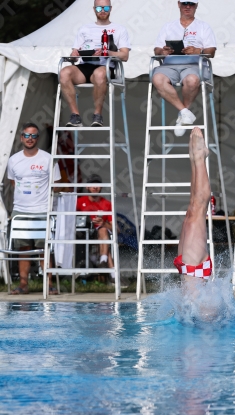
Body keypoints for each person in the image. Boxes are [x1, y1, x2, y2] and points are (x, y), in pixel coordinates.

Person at [7, 122, 61, 295]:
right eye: (27, 135)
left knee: (44, 248)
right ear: (22, 137)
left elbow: (57, 184)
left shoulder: (48, 158)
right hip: (20, 211)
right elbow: (13, 183)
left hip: (42, 210)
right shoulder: (13, 160)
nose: (30, 139)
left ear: (38, 138)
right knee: (23, 249)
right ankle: (23, 285)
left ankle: (49, 284)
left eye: (33, 136)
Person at [59, 0, 131, 127]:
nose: (102, 11)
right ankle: (75, 116)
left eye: (105, 8)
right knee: (64, 73)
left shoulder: (119, 29)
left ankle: (97, 115)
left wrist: (106, 52)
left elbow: (125, 55)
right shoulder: (84, 28)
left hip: (106, 66)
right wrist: (74, 55)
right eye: (99, 9)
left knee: (99, 74)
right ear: (94, 9)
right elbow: (74, 55)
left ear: (111, 9)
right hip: (84, 66)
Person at [152, 0, 216, 136]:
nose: (187, 6)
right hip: (170, 64)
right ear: (178, 4)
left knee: (192, 80)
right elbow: (157, 48)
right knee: (157, 78)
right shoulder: (168, 26)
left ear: (196, 6)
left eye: (191, 4)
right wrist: (162, 52)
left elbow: (211, 52)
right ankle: (184, 112)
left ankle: (182, 118)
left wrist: (197, 51)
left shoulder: (203, 26)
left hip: (193, 64)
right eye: (184, 3)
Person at [174, 127, 212, 281]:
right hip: (195, 269)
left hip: (190, 268)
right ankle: (199, 158)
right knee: (197, 209)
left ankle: (195, 159)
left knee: (192, 210)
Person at [76, 173, 115, 278]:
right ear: (87, 186)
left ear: (101, 186)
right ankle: (111, 272)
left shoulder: (107, 204)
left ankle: (103, 262)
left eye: (97, 184)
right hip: (82, 235)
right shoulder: (79, 202)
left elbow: (116, 229)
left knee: (102, 230)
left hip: (100, 235)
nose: (95, 187)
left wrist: (103, 223)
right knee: (104, 241)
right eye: (92, 184)